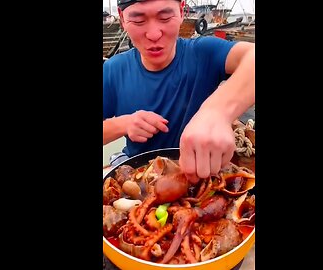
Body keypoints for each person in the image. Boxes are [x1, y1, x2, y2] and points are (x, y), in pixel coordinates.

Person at [103, 0, 255, 184]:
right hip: (139, 174)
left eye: (165, 17)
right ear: (122, 18)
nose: (154, 34)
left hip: (200, 172)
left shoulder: (203, 53)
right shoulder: (112, 70)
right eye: (138, 21)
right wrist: (124, 124)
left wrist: (217, 112)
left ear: (182, 10)